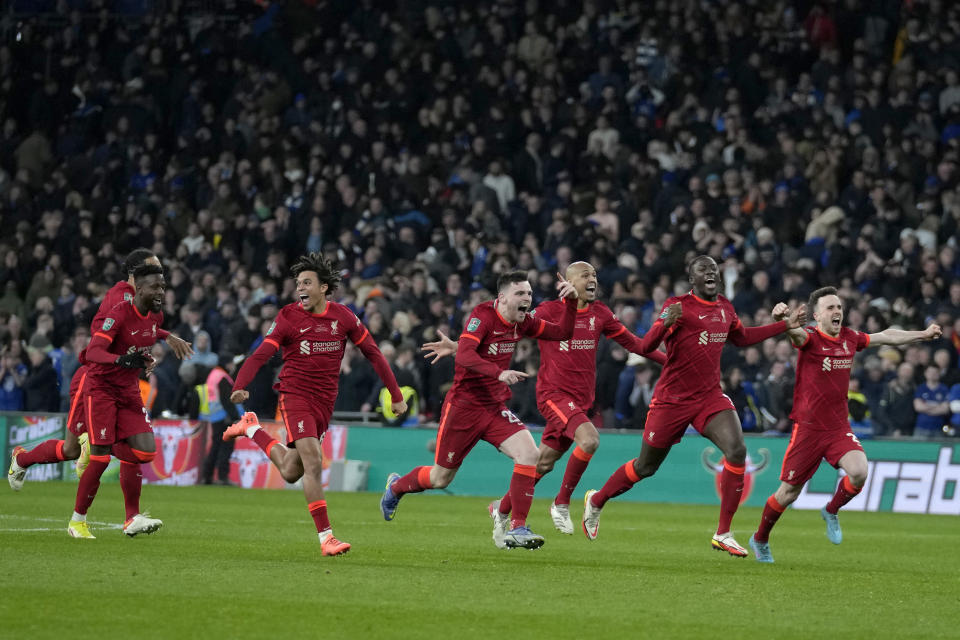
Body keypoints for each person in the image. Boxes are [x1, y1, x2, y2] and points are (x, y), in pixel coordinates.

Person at [420, 261, 674, 538]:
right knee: (589, 440)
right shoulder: (548, 311)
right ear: (570, 282)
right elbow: (503, 329)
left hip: (580, 400)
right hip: (553, 395)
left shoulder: (601, 313)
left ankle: (501, 509)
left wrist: (672, 363)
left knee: (542, 463)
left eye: (595, 275)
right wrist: (460, 346)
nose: (593, 279)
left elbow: (637, 345)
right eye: (586, 275)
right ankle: (561, 502)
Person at [580, 255, 805, 556]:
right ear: (692, 280)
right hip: (671, 401)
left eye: (714, 269)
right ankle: (596, 501)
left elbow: (742, 338)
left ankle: (723, 532)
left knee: (737, 451)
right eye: (703, 270)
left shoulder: (725, 307)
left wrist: (783, 326)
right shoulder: (678, 307)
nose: (710, 273)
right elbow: (645, 347)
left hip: (709, 397)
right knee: (645, 466)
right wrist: (664, 324)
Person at [379, 269, 579, 550]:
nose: (527, 299)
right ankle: (397, 487)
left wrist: (571, 303)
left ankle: (518, 527)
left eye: (530, 294)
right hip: (463, 407)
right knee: (440, 477)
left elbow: (563, 332)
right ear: (502, 298)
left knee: (529, 454)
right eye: (520, 293)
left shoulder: (522, 322)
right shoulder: (482, 315)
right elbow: (465, 355)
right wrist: (498, 373)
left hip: (494, 407)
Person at [222, 252, 406, 556]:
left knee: (292, 470)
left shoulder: (344, 317)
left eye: (307, 282)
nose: (300, 289)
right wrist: (240, 384)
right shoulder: (288, 317)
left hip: (324, 402)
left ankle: (252, 429)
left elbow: (374, 353)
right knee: (313, 461)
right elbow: (260, 353)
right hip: (295, 395)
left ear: (324, 287)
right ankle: (326, 537)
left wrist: (396, 395)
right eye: (297, 284)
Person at [748, 286, 941, 563]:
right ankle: (760, 538)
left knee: (860, 472)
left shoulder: (850, 338)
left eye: (839, 307)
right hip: (809, 429)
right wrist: (783, 318)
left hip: (838, 428)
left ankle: (831, 510)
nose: (837, 311)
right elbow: (795, 332)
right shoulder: (810, 338)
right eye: (830, 307)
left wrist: (921, 335)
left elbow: (886, 336)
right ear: (816, 315)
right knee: (788, 493)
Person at [8, 250, 193, 512]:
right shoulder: (121, 298)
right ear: (136, 275)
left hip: (117, 380)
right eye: (154, 269)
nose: (159, 277)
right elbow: (109, 337)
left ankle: (130, 514)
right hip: (94, 376)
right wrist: (156, 340)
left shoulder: (142, 300)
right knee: (73, 449)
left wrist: (158, 340)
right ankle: (23, 458)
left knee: (82, 450)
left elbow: (139, 329)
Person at [61, 264, 177, 539]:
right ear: (139, 288)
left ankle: (100, 443)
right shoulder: (119, 314)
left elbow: (139, 344)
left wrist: (145, 359)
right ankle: (77, 521)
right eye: (155, 286)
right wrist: (121, 360)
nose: (161, 291)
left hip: (128, 390)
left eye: (163, 286)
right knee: (99, 460)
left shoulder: (156, 316)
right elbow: (94, 352)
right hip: (101, 388)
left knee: (146, 452)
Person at [196, 356, 242, 485]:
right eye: (232, 364)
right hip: (225, 417)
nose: (233, 367)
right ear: (227, 365)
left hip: (215, 415)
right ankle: (223, 476)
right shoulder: (222, 377)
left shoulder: (213, 375)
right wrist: (233, 416)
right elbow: (227, 399)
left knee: (215, 446)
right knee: (226, 447)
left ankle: (207, 476)